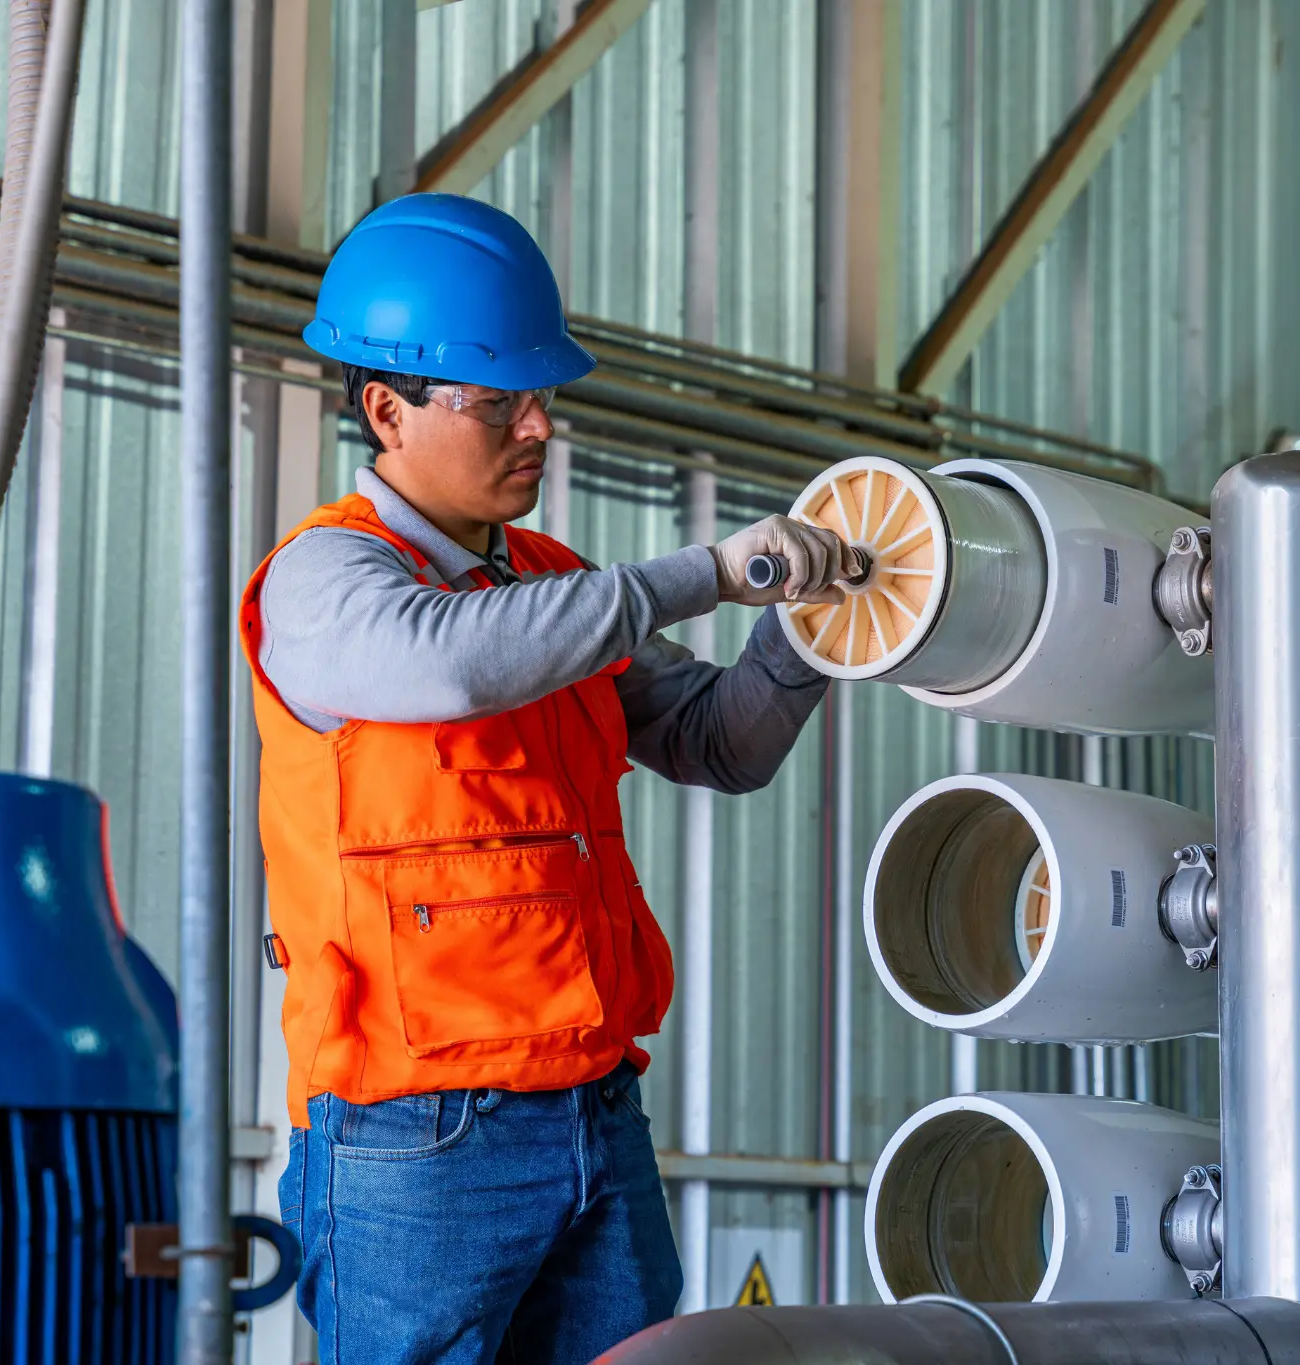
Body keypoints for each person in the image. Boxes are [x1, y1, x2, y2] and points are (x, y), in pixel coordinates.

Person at [238, 193, 851, 1365]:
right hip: (418, 1137)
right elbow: (454, 667)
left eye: (542, 398)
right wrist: (707, 573)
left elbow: (721, 742)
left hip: (592, 1114)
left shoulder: (552, 588)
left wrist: (809, 630)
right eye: (498, 402)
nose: (536, 428)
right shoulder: (324, 580)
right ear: (386, 408)